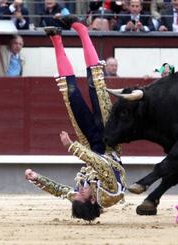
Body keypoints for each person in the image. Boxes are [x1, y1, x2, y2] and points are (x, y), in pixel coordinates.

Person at [25, 16, 127, 222]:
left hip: (89, 141)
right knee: (95, 83)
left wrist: (36, 179)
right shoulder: (110, 195)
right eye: (80, 194)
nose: (77, 191)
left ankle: (56, 39)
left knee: (70, 94)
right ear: (91, 201)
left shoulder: (83, 195)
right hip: (109, 138)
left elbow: (60, 191)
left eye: (77, 194)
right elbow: (102, 165)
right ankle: (81, 29)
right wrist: (72, 147)